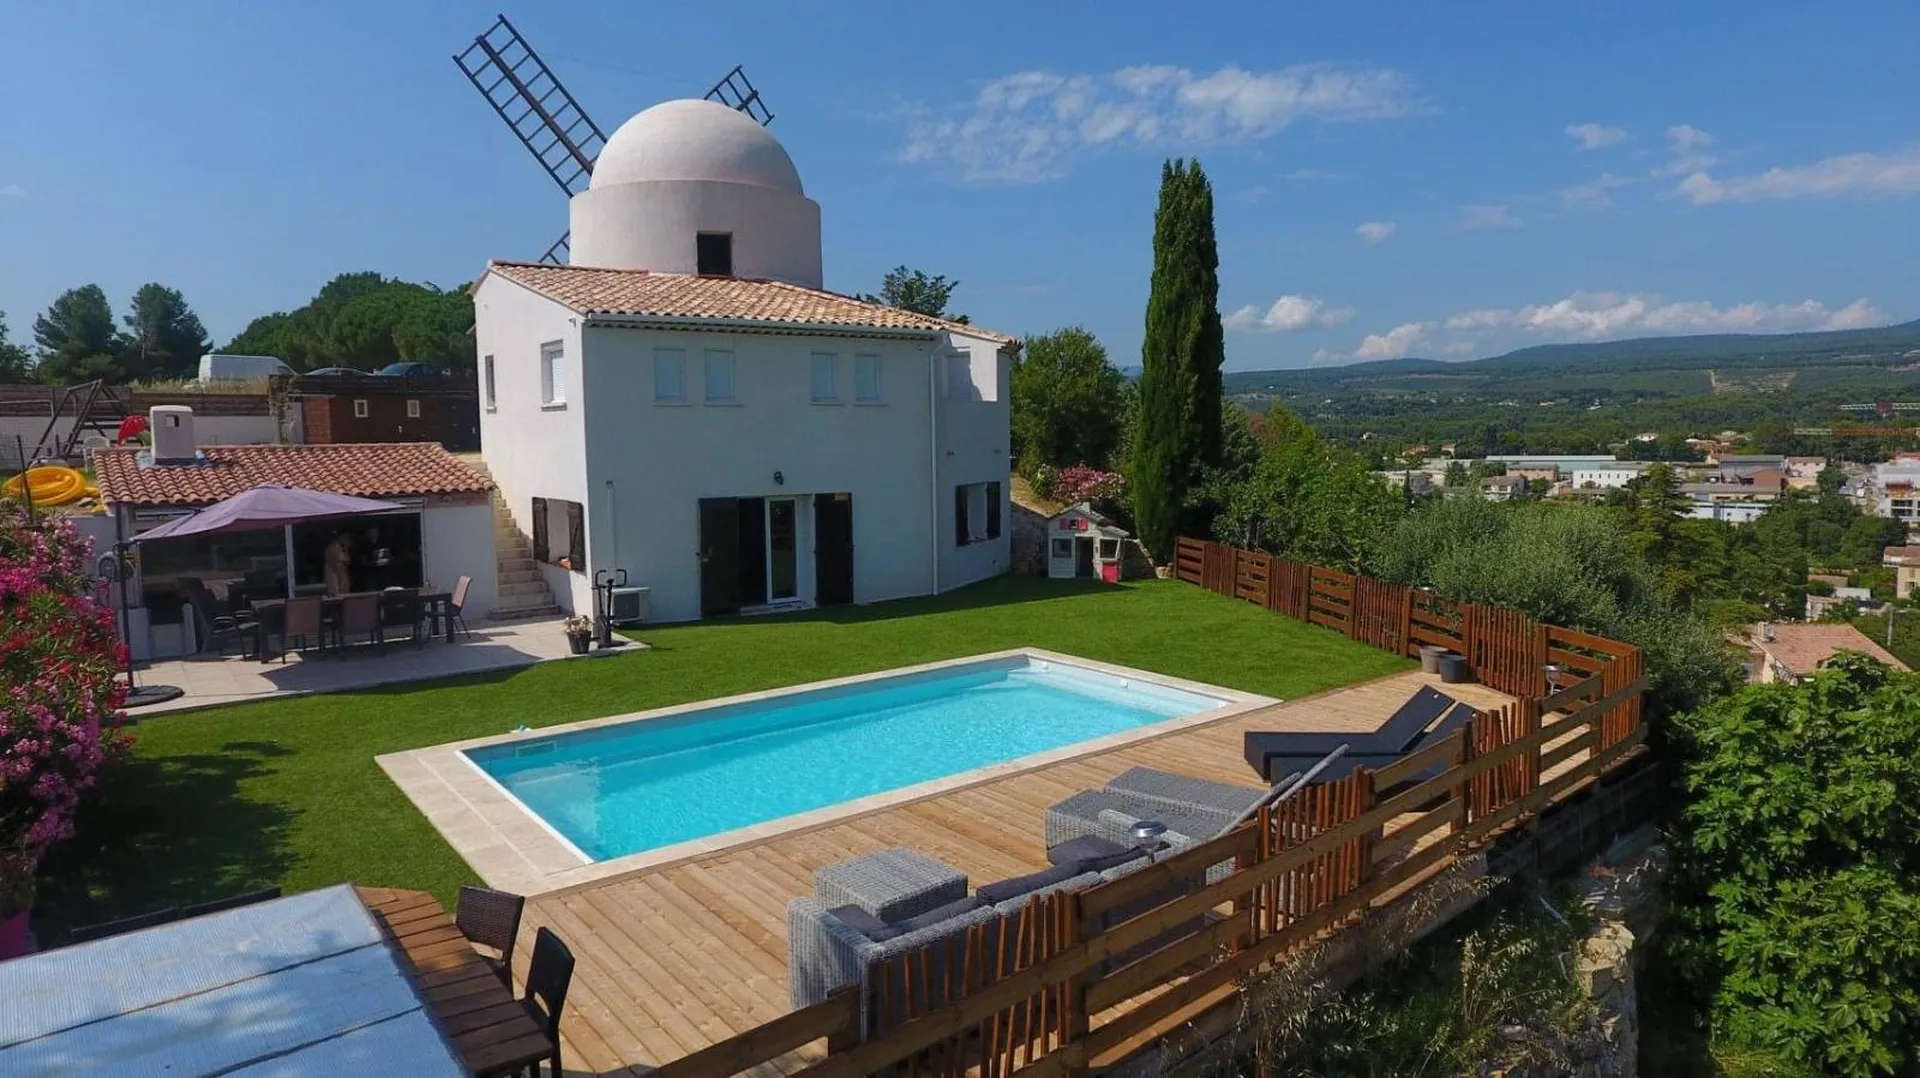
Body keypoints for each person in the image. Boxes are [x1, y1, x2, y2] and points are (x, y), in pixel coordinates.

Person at [323, 531, 353, 596]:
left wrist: (346, 548)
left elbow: (348, 561)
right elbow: (335, 564)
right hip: (334, 577)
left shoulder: (341, 548)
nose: (347, 540)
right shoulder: (332, 548)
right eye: (345, 538)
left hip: (342, 577)